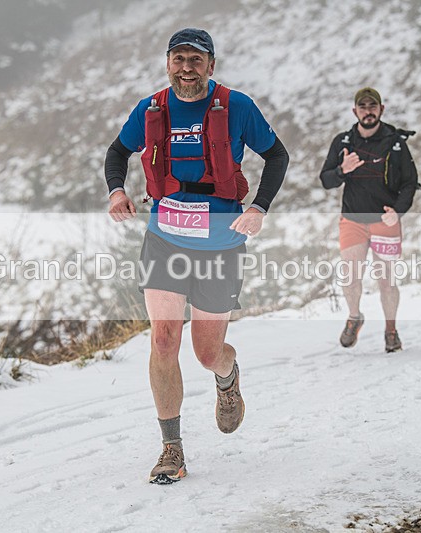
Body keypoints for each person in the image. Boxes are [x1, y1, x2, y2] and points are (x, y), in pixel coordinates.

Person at [105, 28, 288, 484]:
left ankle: (227, 378)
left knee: (206, 352)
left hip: (220, 241)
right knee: (163, 340)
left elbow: (277, 155)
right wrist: (116, 191)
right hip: (165, 235)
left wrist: (259, 207)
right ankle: (172, 448)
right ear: (168, 62)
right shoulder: (151, 109)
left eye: (196, 60)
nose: (187, 68)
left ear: (211, 64)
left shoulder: (237, 106)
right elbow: (117, 151)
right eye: (179, 58)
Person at [319, 87, 417, 353]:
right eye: (362, 107)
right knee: (350, 275)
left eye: (373, 106)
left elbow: (410, 183)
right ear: (355, 111)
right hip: (352, 219)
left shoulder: (396, 142)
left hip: (386, 220)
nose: (368, 111)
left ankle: (391, 330)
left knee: (386, 280)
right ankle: (354, 316)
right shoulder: (343, 142)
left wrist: (398, 211)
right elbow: (326, 180)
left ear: (381, 109)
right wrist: (342, 170)